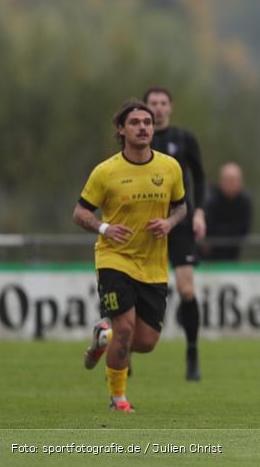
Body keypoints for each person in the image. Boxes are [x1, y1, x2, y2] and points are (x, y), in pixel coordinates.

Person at [75, 100, 187, 411]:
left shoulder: (169, 167)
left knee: (145, 342)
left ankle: (104, 339)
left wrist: (169, 222)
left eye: (147, 122)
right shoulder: (106, 171)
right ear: (121, 130)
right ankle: (118, 399)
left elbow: (181, 207)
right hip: (114, 258)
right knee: (124, 327)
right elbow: (80, 212)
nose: (143, 127)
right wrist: (103, 228)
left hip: (153, 265)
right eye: (135, 122)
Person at [144, 87, 206, 381]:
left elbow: (200, 176)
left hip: (180, 221)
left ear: (171, 107)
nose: (157, 108)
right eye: (152, 104)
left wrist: (200, 212)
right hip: (146, 224)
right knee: (137, 289)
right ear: (144, 109)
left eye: (162, 103)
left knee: (186, 289)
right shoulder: (138, 139)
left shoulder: (184, 139)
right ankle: (125, 351)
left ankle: (192, 352)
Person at [202, 162, 253, 261]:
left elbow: (243, 230)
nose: (231, 184)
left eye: (234, 180)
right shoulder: (210, 199)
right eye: (228, 180)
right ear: (221, 181)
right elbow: (208, 228)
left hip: (233, 255)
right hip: (208, 256)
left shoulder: (245, 202)